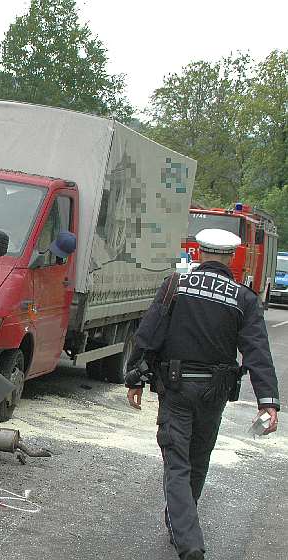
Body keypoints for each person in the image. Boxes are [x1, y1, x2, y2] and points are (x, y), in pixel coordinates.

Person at [125, 228, 279, 560]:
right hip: (215, 393)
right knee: (198, 459)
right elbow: (257, 352)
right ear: (231, 258)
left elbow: (149, 333)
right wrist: (268, 402)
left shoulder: (176, 285)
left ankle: (189, 542)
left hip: (176, 387)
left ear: (198, 253)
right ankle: (181, 525)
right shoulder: (244, 298)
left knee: (177, 462)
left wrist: (135, 377)